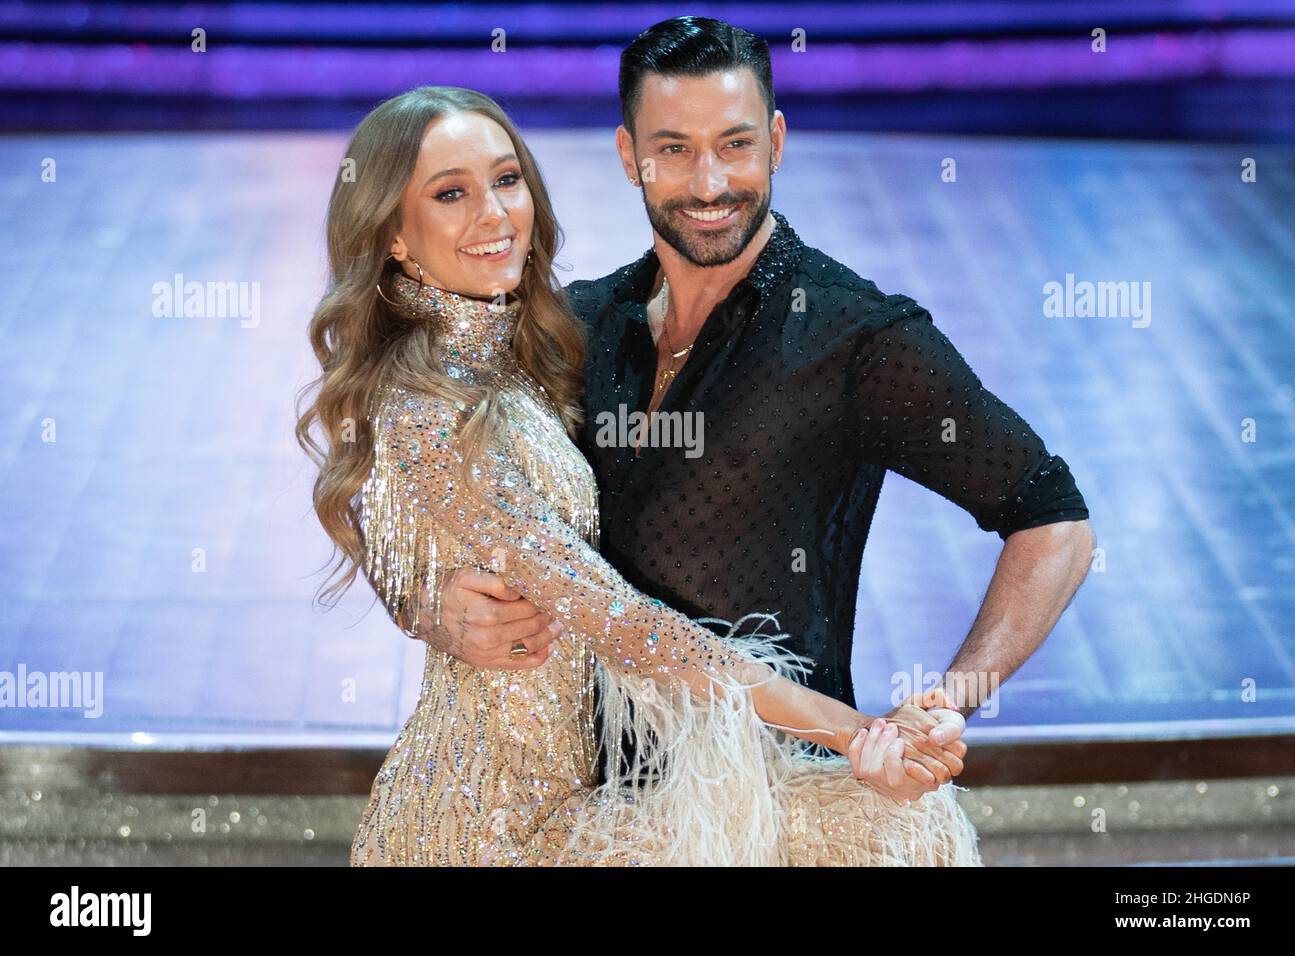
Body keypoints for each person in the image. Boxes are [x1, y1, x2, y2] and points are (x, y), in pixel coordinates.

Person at [296, 83, 983, 866]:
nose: (494, 214)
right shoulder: (428, 408)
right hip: (492, 830)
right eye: (451, 193)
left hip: (594, 790)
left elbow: (406, 529)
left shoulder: (526, 349)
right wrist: (857, 732)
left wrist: (425, 604)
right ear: (392, 234)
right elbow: (618, 618)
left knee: (901, 828)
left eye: (507, 179)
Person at [419, 17, 1096, 780]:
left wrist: (948, 702)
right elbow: (408, 484)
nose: (709, 184)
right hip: (584, 811)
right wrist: (432, 612)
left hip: (778, 809)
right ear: (628, 156)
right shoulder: (576, 324)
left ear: (775, 142)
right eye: (674, 149)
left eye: (734, 146)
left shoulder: (856, 336)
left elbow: (1054, 522)